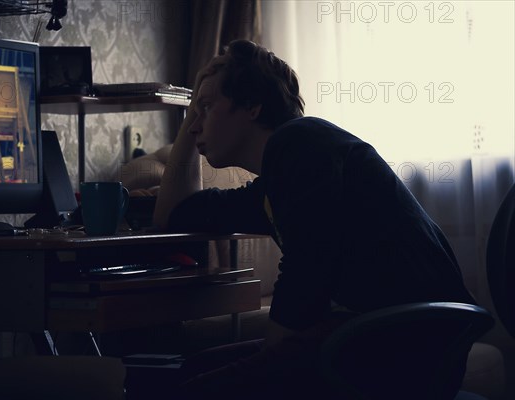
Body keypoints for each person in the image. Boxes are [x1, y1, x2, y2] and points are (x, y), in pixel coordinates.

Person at [153, 40, 477, 399]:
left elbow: (307, 270)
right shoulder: (277, 186)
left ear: (252, 106)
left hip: (408, 345)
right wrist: (194, 105)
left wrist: (270, 364)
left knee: (193, 390)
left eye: (208, 108)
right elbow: (173, 214)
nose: (196, 126)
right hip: (387, 337)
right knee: (192, 370)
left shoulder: (303, 144)